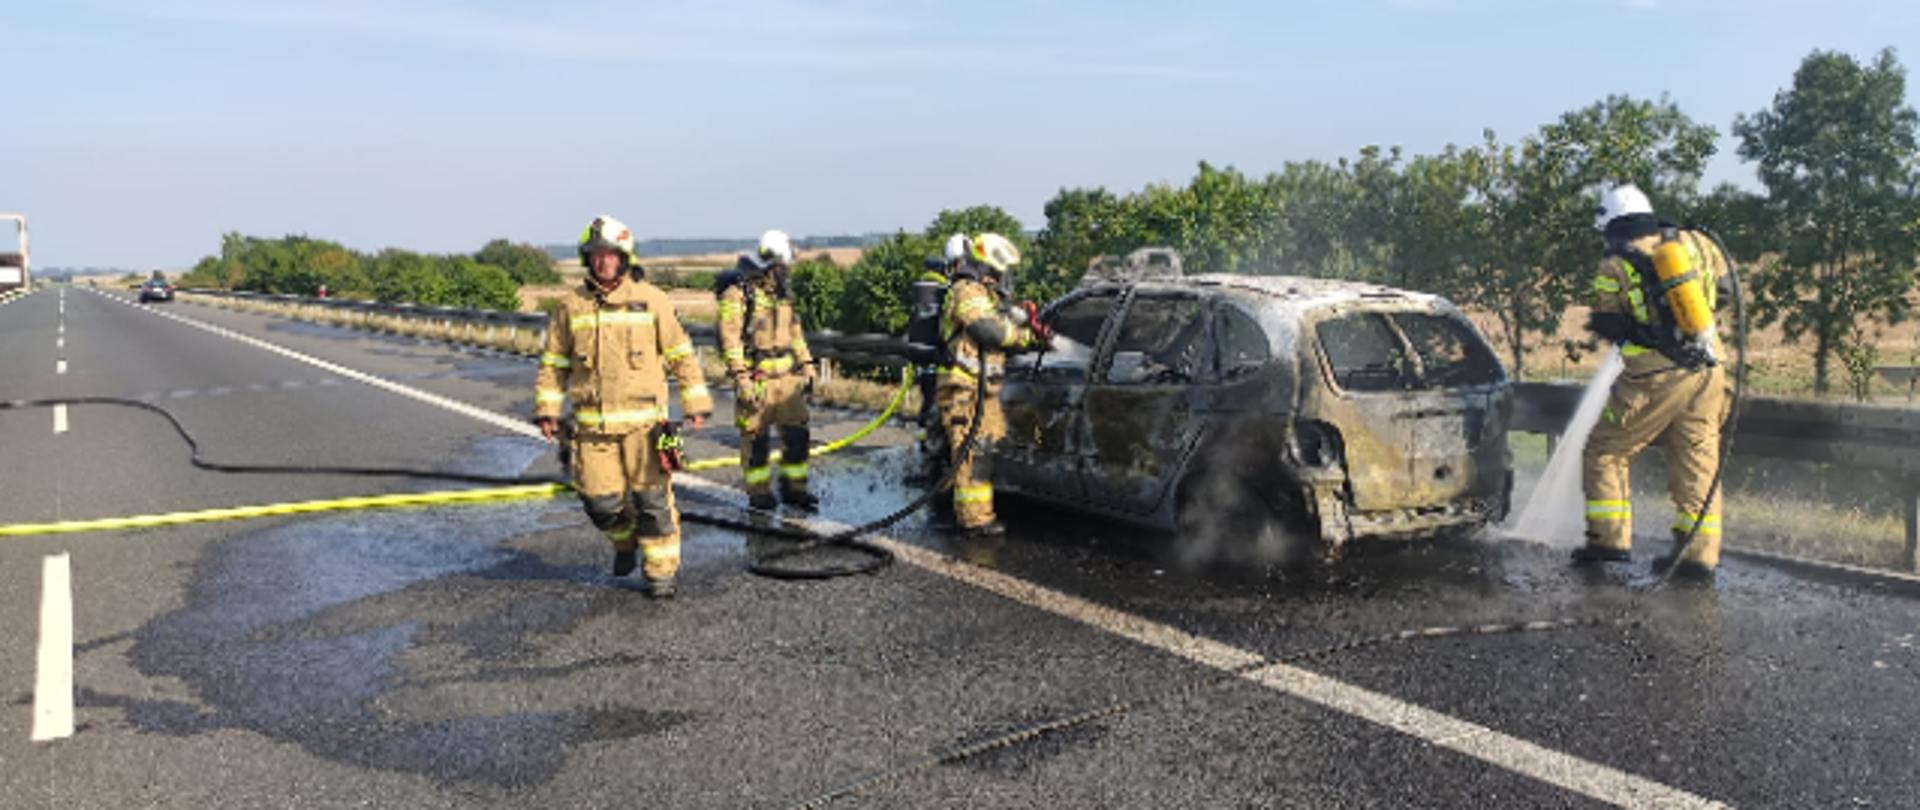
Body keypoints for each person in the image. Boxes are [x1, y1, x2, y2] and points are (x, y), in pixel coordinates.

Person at [533, 215, 713, 598]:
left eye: (610, 254)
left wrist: (695, 401)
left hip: (645, 427)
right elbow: (554, 363)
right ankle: (625, 540)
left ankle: (660, 572)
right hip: (592, 429)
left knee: (653, 502)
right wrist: (547, 409)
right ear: (588, 260)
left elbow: (681, 356)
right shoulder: (571, 307)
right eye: (596, 254)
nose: (603, 261)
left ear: (624, 258)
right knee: (600, 504)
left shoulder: (653, 300)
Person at [1575, 184, 1736, 583]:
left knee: (1605, 451)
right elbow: (1727, 293)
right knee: (1698, 459)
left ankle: (1609, 544)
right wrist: (1690, 324)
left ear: (1610, 223)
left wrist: (1639, 330)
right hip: (1710, 370)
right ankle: (1697, 558)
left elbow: (1609, 321)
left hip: (1655, 377)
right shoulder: (1697, 242)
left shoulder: (1614, 262)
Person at [935, 232, 1050, 537]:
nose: (1004, 277)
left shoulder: (987, 296)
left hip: (982, 390)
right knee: (973, 452)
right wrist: (1024, 338)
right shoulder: (967, 290)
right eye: (1001, 271)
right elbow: (989, 331)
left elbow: (1000, 321)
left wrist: (1029, 325)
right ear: (989, 266)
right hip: (963, 390)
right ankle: (974, 521)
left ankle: (954, 506)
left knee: (984, 448)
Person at [718, 229, 820, 512]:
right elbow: (730, 340)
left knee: (798, 437)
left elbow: (795, 332)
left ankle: (795, 490)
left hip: (788, 379)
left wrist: (807, 365)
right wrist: (742, 378)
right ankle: (759, 494)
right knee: (757, 442)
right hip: (757, 378)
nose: (784, 271)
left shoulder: (783, 293)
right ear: (771, 264)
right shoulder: (738, 294)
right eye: (782, 266)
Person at [905, 234, 967, 486]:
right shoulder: (951, 290)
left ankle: (928, 464)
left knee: (929, 414)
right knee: (945, 419)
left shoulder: (924, 289)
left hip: (924, 363)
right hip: (945, 366)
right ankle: (941, 472)